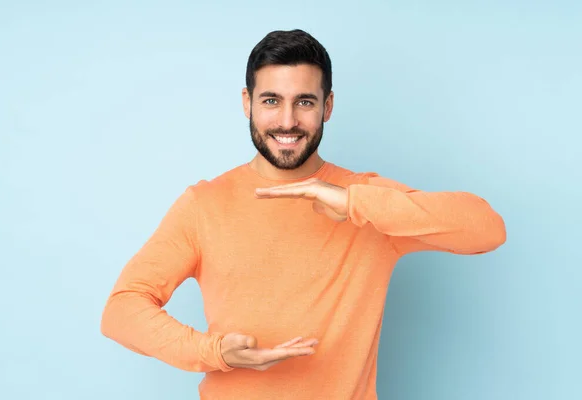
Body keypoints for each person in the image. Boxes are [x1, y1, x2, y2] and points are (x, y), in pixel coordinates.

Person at [100, 29, 506, 400]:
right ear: (248, 103)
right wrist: (215, 352)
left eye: (305, 102)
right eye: (272, 100)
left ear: (327, 106)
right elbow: (121, 310)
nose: (288, 121)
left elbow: (487, 229)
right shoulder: (204, 204)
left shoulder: (364, 199)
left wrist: (353, 203)